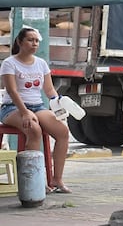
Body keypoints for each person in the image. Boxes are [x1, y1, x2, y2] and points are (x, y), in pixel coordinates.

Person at [1, 26, 71, 193]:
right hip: (12, 107)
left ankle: (57, 180)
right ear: (20, 42)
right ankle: (34, 181)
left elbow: (49, 90)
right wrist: (25, 112)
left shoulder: (41, 63)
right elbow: (12, 91)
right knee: (34, 130)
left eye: (37, 41)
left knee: (62, 131)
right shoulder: (9, 63)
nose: (34, 44)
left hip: (37, 106)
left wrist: (58, 102)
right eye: (30, 40)